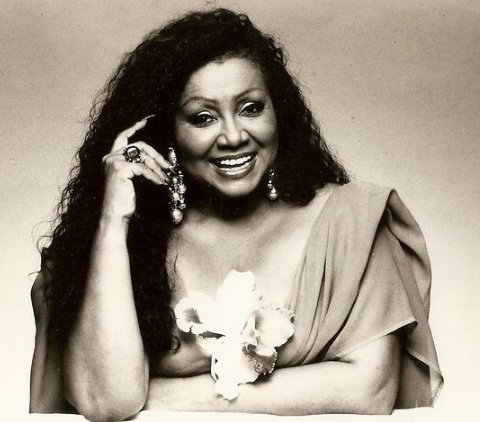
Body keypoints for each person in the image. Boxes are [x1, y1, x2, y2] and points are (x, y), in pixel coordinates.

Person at [30, 8, 443, 420]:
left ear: (278, 113)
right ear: (166, 132)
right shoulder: (115, 246)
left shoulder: (352, 225)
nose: (232, 136)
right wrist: (112, 220)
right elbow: (107, 402)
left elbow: (369, 390)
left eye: (250, 108)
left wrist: (155, 396)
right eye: (202, 117)